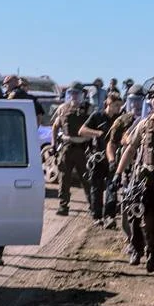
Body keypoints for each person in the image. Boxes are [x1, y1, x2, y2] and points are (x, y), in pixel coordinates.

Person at [113, 81, 154, 279]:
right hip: (147, 180)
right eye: (153, 98)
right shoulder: (143, 124)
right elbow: (131, 149)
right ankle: (149, 253)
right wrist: (117, 174)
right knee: (147, 223)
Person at [79, 92, 123, 224]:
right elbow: (82, 131)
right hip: (98, 158)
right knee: (96, 188)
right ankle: (97, 216)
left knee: (112, 187)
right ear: (108, 104)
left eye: (119, 106)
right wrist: (97, 133)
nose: (118, 108)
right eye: (116, 105)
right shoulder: (97, 116)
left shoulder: (119, 118)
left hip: (112, 159)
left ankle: (110, 216)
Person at [104, 84, 143, 229]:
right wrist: (112, 160)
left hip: (145, 165)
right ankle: (109, 216)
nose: (137, 105)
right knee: (117, 190)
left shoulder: (151, 120)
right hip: (126, 164)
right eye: (133, 101)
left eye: (140, 101)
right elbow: (111, 144)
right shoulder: (121, 120)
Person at [52, 82, 92, 216]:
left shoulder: (89, 109)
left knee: (86, 178)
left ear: (82, 95)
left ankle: (93, 206)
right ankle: (63, 206)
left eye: (77, 93)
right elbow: (55, 126)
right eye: (72, 93)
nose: (74, 96)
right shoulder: (63, 108)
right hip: (67, 147)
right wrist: (53, 144)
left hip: (83, 149)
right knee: (64, 178)